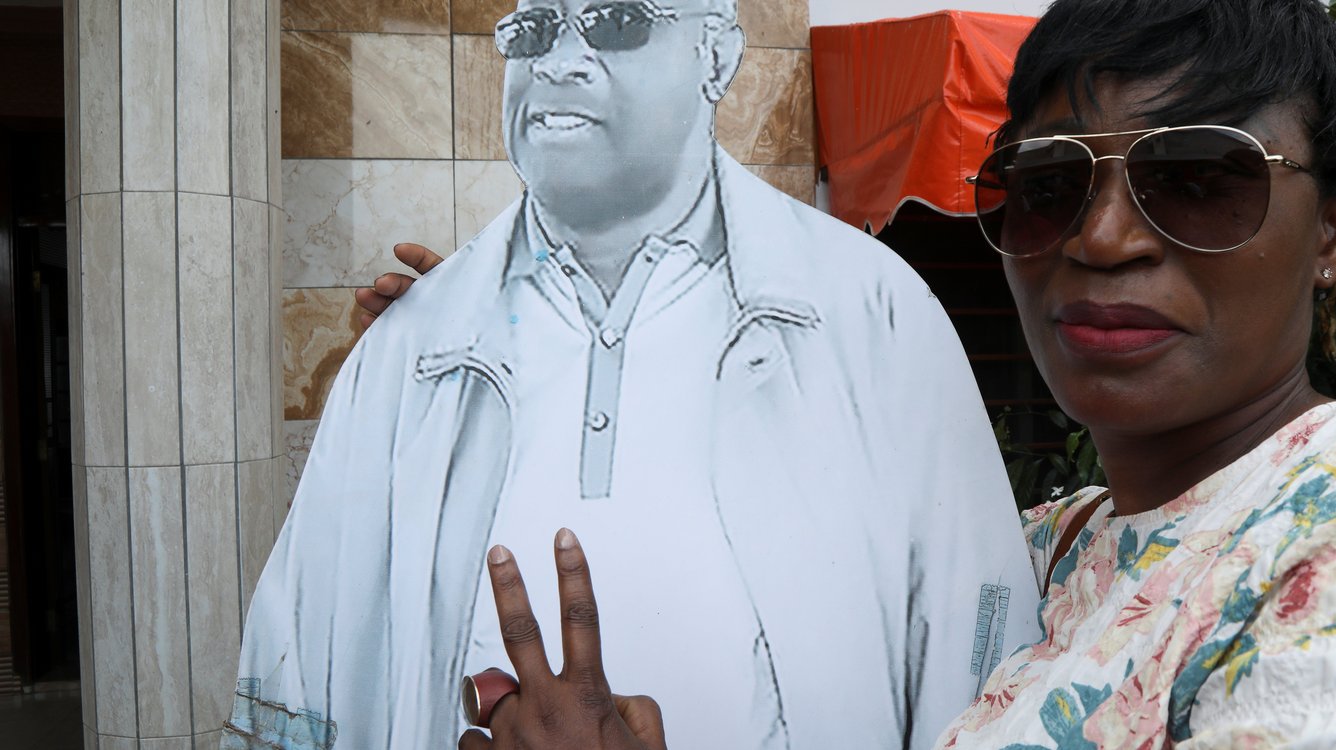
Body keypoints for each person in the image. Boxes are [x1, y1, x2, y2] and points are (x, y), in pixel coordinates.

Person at [458, 0, 1336, 747]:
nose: (1099, 240)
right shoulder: (1037, 550)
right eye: (1046, 184)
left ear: (1335, 232)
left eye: (1193, 179)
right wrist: (484, 335)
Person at [224, 0, 1039, 748]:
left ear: (716, 56)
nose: (557, 63)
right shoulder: (413, 348)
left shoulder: (877, 313)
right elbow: (298, 665)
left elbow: (986, 680)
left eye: (614, 21)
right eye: (535, 31)